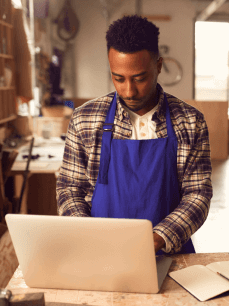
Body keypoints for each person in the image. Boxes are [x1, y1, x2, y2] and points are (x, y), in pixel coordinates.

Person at [56, 15, 213, 255]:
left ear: (158, 66)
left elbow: (198, 194)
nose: (129, 91)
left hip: (169, 254)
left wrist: (160, 236)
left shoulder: (190, 122)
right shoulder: (84, 119)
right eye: (118, 78)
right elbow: (69, 189)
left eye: (140, 78)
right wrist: (86, 232)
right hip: (101, 253)